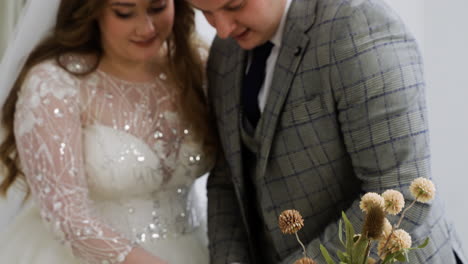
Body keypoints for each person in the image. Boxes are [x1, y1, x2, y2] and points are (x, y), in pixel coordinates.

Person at [188, 0, 467, 263]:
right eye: (205, 12)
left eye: (235, 5)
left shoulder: (358, 25)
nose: (222, 28)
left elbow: (399, 193)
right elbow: (227, 179)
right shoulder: (225, 52)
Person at [0, 0, 215, 263]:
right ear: (92, 11)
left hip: (196, 250)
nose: (146, 27)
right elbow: (67, 215)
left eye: (158, 8)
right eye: (124, 13)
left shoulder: (196, 67)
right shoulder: (54, 85)